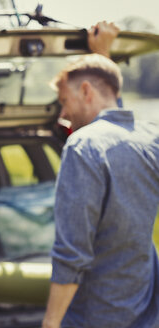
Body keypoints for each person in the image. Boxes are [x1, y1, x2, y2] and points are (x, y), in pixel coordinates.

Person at [42, 23, 159, 328]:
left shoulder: (82, 146)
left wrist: (50, 323)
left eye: (65, 101)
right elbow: (114, 117)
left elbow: (73, 253)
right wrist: (101, 56)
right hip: (146, 312)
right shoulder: (150, 138)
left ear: (85, 91)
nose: (63, 114)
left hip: (95, 317)